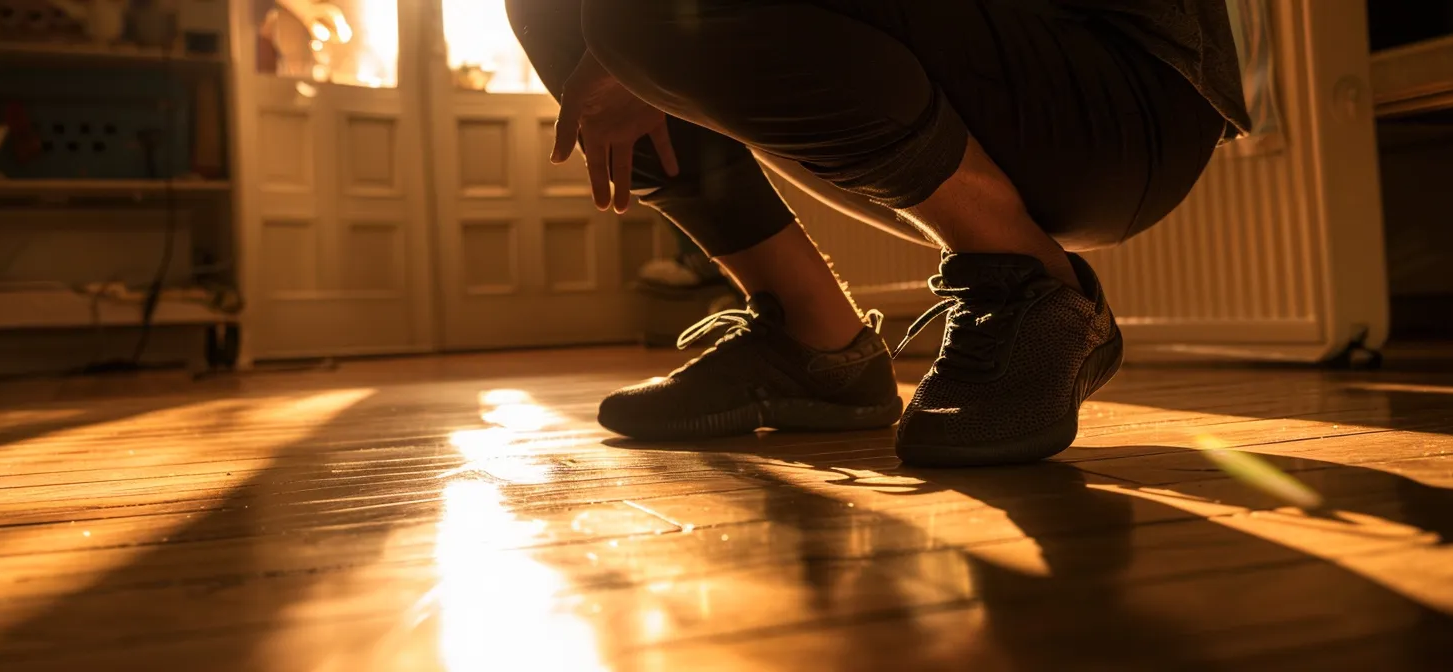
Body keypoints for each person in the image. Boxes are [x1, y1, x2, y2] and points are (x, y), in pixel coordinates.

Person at [506, 0, 1249, 467]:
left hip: (1118, 89)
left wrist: (635, 45)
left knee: (633, 17)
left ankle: (1028, 281)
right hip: (986, 74)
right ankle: (816, 343)